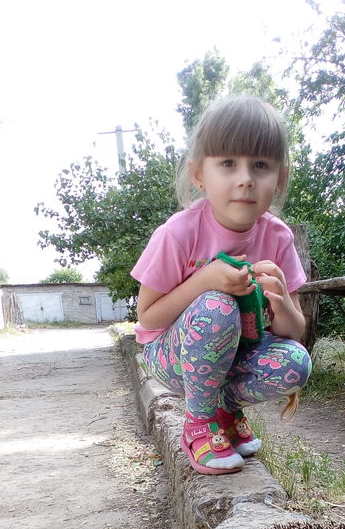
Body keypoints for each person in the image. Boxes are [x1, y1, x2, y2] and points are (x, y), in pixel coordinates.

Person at [131, 95, 312, 475]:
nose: (245, 178)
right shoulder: (179, 234)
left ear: (279, 179)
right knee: (216, 306)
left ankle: (226, 411)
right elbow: (147, 318)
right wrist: (204, 281)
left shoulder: (277, 238)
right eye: (228, 163)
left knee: (297, 363)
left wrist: (280, 300)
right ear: (199, 174)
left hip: (233, 358)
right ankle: (199, 423)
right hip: (172, 358)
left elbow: (294, 332)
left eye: (260, 165)